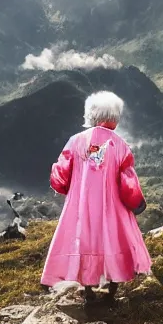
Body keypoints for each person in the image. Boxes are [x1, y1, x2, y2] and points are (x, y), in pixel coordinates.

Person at [40, 90, 151, 305]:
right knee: (113, 242)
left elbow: (61, 175)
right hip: (113, 207)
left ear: (90, 115)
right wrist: (136, 202)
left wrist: (68, 189)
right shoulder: (120, 146)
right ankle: (112, 291)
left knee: (84, 242)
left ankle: (88, 290)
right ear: (115, 117)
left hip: (81, 207)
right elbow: (128, 182)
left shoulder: (75, 142)